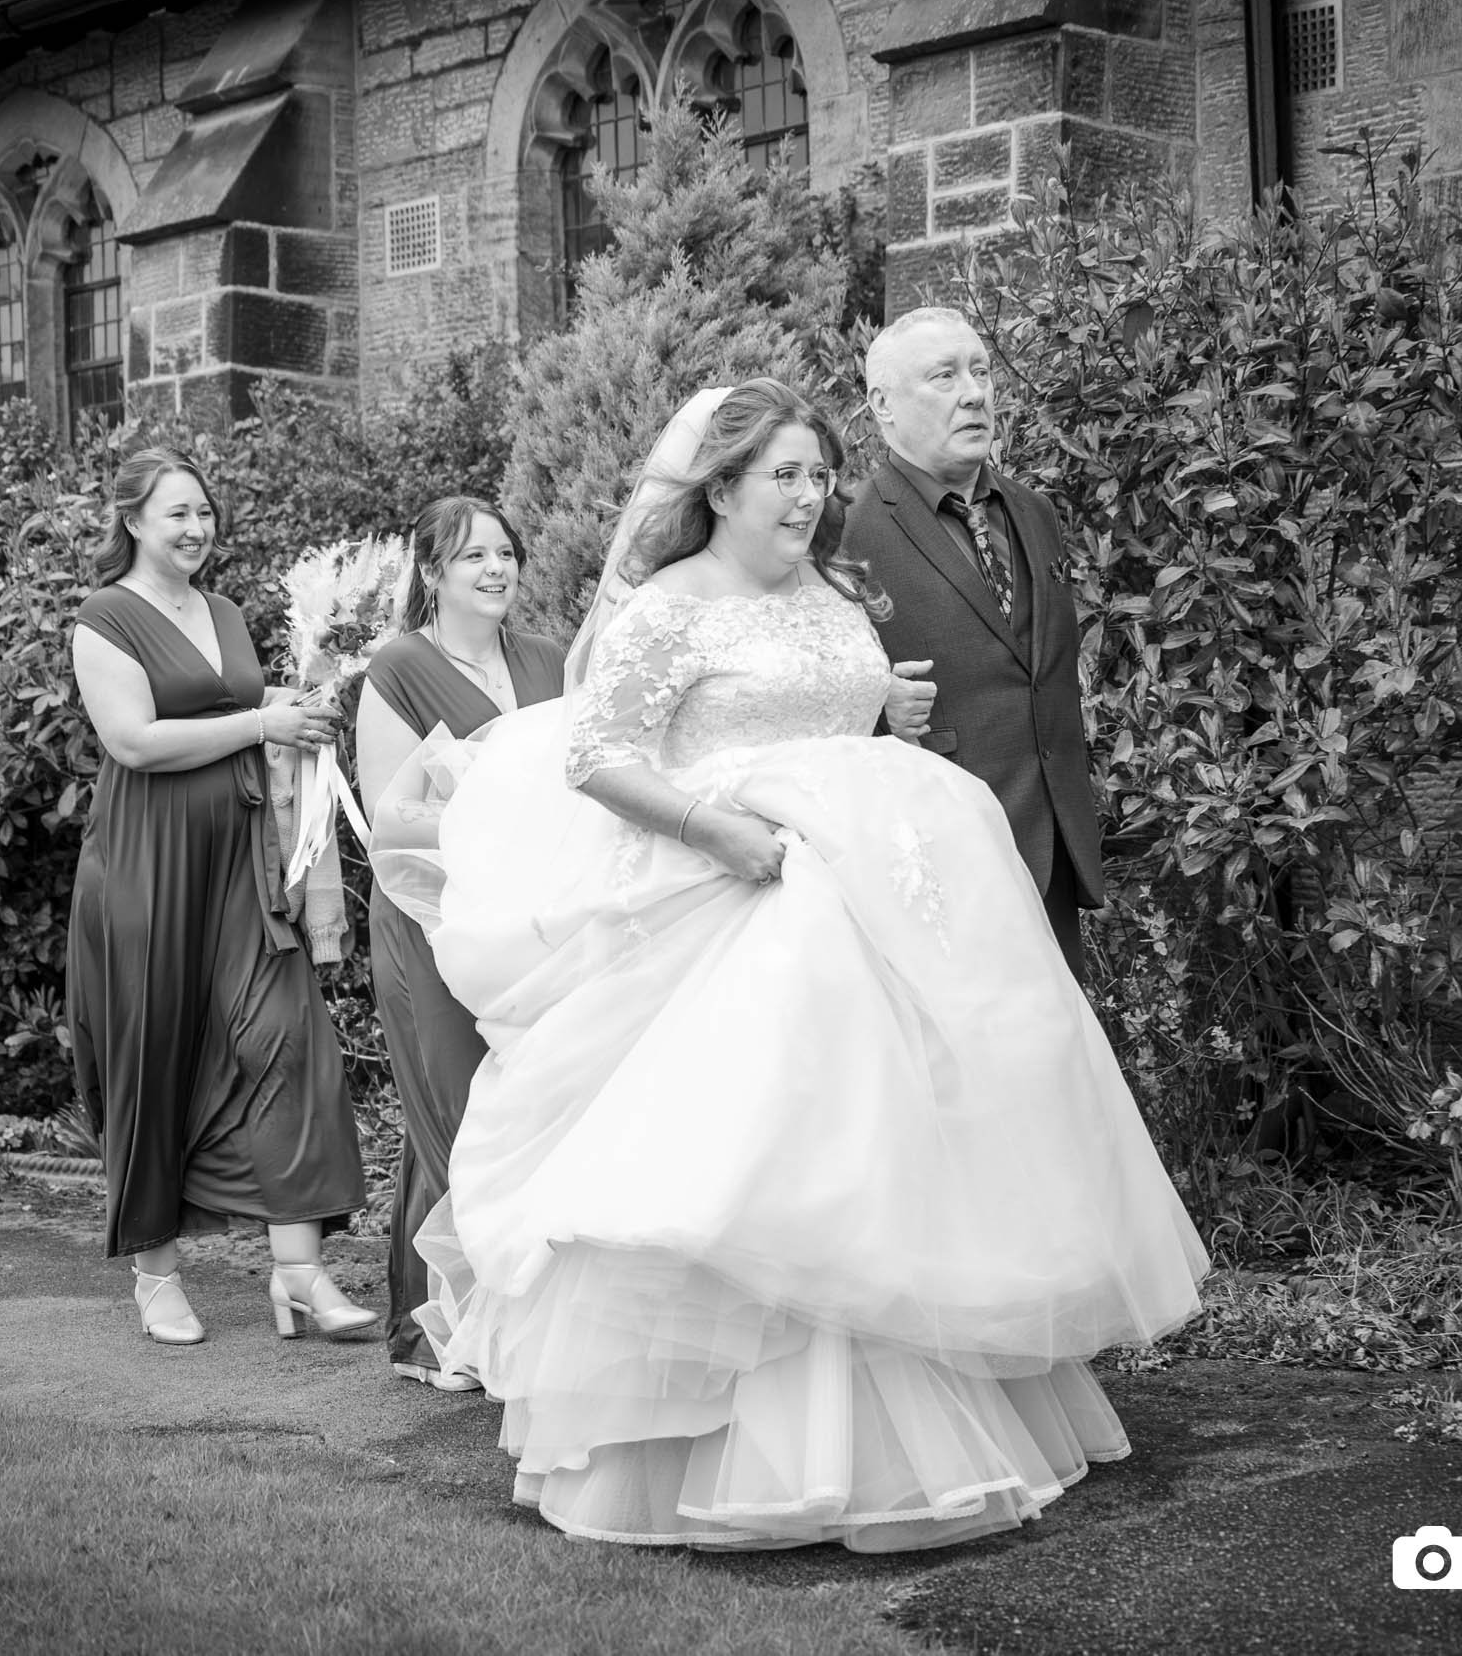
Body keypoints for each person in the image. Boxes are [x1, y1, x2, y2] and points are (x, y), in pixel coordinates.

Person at [402, 380, 1209, 1551]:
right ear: (720, 489)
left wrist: (894, 714)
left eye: (819, 474)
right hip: (733, 897)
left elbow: (837, 725)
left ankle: (922, 1416)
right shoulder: (667, 608)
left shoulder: (835, 593)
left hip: (865, 892)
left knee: (883, 1147)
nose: (810, 493)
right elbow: (596, 755)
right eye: (784, 474)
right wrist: (712, 830)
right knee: (759, 1158)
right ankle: (739, 1453)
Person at [67, 447, 379, 1347]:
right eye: (177, 514)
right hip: (146, 865)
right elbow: (132, 741)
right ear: (132, 521)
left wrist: (304, 699)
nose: (197, 528)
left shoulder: (227, 612)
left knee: (288, 1036)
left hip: (241, 857)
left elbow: (241, 699)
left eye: (204, 512)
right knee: (157, 1052)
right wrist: (260, 721)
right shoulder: (105, 618)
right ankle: (156, 1273)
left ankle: (300, 1273)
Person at [356, 497, 567, 1390]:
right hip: (427, 922)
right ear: (431, 573)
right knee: (451, 1108)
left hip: (528, 919)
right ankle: (447, 1333)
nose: (495, 567)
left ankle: (465, 1323)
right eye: (472, 555)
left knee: (515, 1108)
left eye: (506, 552)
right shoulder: (399, 669)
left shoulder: (551, 662)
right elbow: (388, 815)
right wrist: (498, 820)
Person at [844, 306, 1105, 981]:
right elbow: (814, 697)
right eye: (944, 375)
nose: (975, 391)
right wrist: (878, 709)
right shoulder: (846, 536)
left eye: (981, 369)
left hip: (1053, 854)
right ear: (883, 405)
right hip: (940, 864)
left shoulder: (1033, 512)